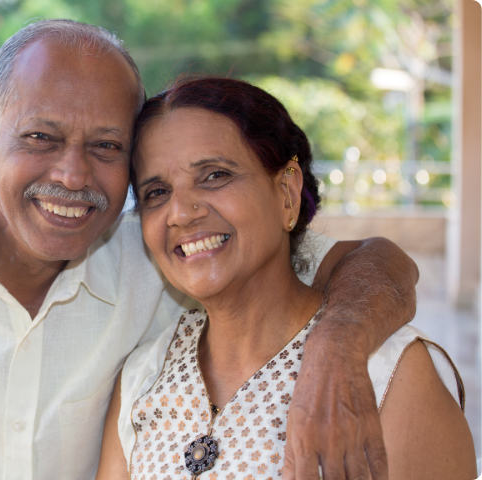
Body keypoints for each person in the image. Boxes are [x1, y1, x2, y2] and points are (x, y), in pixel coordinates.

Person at [0, 20, 421, 480]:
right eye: (41, 137)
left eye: (106, 147)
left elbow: (372, 262)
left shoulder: (168, 243)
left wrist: (335, 348)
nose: (73, 177)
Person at [95, 77, 476, 480]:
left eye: (214, 175)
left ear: (287, 193)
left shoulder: (387, 372)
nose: (181, 212)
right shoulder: (143, 376)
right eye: (157, 192)